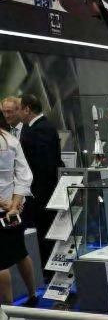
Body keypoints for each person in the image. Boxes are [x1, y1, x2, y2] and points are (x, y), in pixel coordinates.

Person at [19, 94, 64, 270]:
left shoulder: (41, 129)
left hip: (42, 192)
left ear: (27, 109)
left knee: (44, 231)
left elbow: (45, 165)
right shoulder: (34, 127)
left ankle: (48, 270)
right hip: (39, 191)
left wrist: (36, 192)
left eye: (19, 109)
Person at [0, 111, 38, 306]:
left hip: (5, 207)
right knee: (20, 252)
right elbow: (24, 175)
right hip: (14, 209)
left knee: (1, 263)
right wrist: (14, 204)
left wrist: (5, 203)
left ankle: (6, 310)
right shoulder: (11, 140)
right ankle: (32, 295)